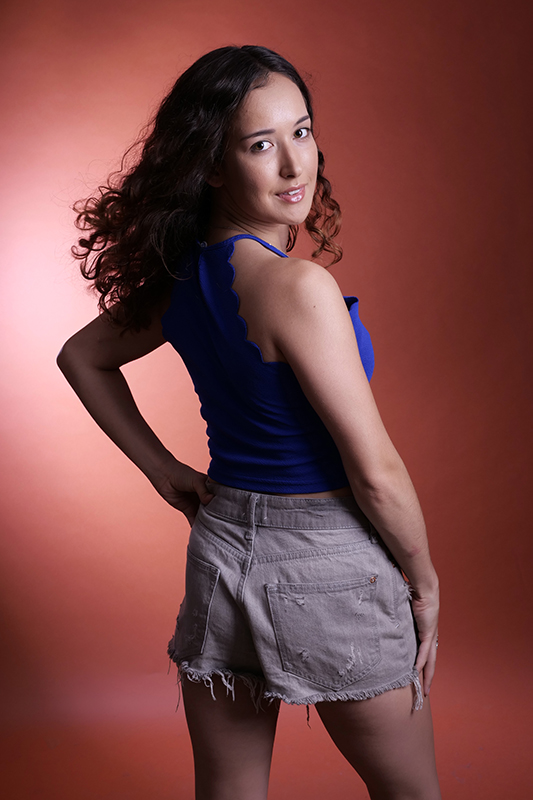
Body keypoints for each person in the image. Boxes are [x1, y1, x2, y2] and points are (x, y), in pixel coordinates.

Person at [57, 45, 441, 800]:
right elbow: (375, 472)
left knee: (228, 790)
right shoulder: (298, 287)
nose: (296, 165)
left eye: (302, 132)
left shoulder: (181, 279)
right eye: (261, 145)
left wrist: (165, 472)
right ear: (210, 163)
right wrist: (423, 581)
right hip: (326, 560)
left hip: (222, 548)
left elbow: (82, 357)